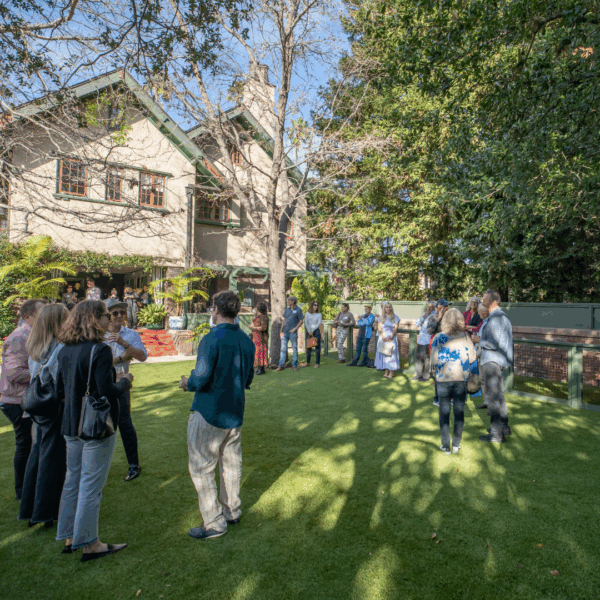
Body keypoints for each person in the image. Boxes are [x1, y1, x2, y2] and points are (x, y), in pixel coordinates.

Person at [55, 300, 133, 560]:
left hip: (70, 422)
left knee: (73, 479)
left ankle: (70, 537)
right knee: (90, 484)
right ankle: (89, 543)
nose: (109, 320)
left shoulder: (64, 350)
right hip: (94, 424)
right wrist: (125, 382)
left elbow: (59, 391)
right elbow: (106, 390)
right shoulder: (98, 350)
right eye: (106, 316)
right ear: (95, 319)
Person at [180, 290, 255, 540]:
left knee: (202, 467)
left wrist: (186, 382)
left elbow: (200, 378)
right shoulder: (247, 341)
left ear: (216, 310)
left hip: (209, 411)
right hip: (234, 411)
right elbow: (248, 379)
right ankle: (231, 511)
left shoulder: (211, 339)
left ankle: (213, 522)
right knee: (231, 464)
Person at [19, 304, 69, 527]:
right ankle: (45, 511)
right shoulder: (59, 348)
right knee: (51, 458)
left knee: (38, 454)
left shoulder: (36, 346)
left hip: (40, 409)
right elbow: (60, 381)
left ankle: (32, 509)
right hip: (54, 408)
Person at [0, 299, 46, 500]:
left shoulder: (31, 334)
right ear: (27, 317)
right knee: (25, 444)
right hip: (17, 401)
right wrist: (43, 375)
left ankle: (29, 487)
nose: (44, 317)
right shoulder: (19, 337)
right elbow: (13, 373)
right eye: (40, 313)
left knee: (30, 444)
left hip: (25, 398)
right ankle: (22, 491)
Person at [104, 297, 148, 481]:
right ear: (106, 316)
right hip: (101, 387)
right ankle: (96, 467)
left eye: (122, 312)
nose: (120, 316)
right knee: (100, 426)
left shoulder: (130, 334)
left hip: (122, 386)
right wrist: (121, 359)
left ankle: (134, 465)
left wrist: (124, 344)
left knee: (125, 425)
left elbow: (142, 357)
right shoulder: (97, 334)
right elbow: (95, 362)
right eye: (115, 313)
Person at [430, 308, 477, 454]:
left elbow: (433, 360)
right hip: (460, 379)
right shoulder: (465, 337)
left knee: (443, 412)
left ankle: (446, 446)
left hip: (443, 379)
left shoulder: (438, 337)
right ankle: (456, 444)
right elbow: (472, 358)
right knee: (459, 411)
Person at [475, 290, 513, 443]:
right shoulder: (500, 317)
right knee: (499, 396)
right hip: (496, 361)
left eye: (484, 299)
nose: (482, 301)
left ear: (493, 302)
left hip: (492, 361)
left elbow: (493, 343)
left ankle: (496, 434)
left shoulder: (497, 318)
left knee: (493, 398)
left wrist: (477, 340)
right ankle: (504, 428)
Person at [427, 299, 450, 405]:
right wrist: (438, 319)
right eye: (442, 307)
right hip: (438, 349)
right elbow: (429, 331)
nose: (445, 309)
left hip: (449, 348)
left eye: (446, 307)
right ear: (438, 308)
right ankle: (437, 399)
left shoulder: (450, 317)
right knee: (438, 375)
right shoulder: (433, 317)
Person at [276, 296, 303, 372]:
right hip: (285, 332)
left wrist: (295, 329)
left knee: (294, 349)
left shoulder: (298, 310)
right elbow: (284, 320)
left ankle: (294, 365)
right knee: (283, 349)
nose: (288, 302)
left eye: (289, 301)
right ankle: (281, 366)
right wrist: (281, 330)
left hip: (293, 333)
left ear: (293, 302)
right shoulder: (287, 310)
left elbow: (301, 321)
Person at [471, 303, 490, 409]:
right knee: (482, 379)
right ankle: (486, 402)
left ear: (485, 311)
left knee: (488, 380)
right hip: (481, 353)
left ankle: (492, 406)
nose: (478, 313)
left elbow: (489, 340)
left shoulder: (490, 322)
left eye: (479, 311)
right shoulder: (483, 322)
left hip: (487, 355)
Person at [375, 303, 400, 378]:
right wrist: (382, 336)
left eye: (389, 307)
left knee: (391, 354)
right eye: (386, 307)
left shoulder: (395, 317)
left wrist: (391, 337)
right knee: (384, 354)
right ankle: (386, 371)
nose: (388, 309)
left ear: (391, 308)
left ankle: (391, 372)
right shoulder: (380, 318)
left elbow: (396, 328)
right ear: (384, 309)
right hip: (383, 337)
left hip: (391, 337)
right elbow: (379, 327)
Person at [413, 302, 436, 380]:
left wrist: (423, 323)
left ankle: (426, 376)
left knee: (427, 358)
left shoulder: (434, 315)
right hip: (421, 339)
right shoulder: (424, 314)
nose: (429, 308)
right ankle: (418, 374)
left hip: (428, 339)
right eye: (428, 306)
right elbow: (417, 323)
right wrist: (423, 317)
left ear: (434, 307)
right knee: (419, 358)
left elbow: (428, 327)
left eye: (431, 307)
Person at [300, 301, 323, 369]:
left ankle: (317, 363)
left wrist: (312, 330)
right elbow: (306, 322)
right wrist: (309, 330)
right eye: (314, 305)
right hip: (308, 331)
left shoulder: (319, 314)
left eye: (317, 305)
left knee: (317, 348)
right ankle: (307, 362)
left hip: (316, 332)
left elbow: (319, 323)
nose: (316, 306)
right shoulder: (307, 313)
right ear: (311, 306)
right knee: (308, 347)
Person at [249, 302, 269, 375]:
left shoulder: (264, 316)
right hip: (256, 337)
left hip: (261, 338)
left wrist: (253, 328)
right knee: (257, 353)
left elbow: (263, 328)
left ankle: (262, 369)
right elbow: (254, 321)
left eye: (257, 307)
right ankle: (258, 368)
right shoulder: (259, 316)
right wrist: (255, 314)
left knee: (261, 353)